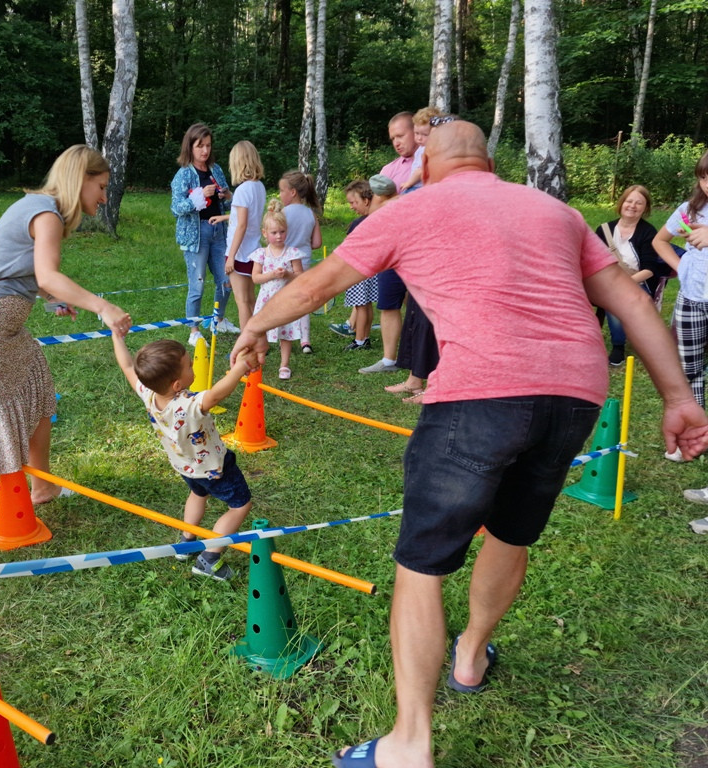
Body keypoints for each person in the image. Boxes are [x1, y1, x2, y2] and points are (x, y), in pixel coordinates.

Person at [229, 120, 708, 768]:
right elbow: (632, 300)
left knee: (422, 565)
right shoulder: (556, 211)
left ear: (425, 165)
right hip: (575, 396)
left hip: (479, 396)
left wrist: (255, 324)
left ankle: (409, 744)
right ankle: (472, 655)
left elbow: (320, 282)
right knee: (511, 534)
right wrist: (679, 398)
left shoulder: (412, 207)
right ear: (489, 162)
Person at [0, 145, 133, 568]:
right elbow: (47, 273)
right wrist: (103, 306)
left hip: (3, 328)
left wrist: (49, 298)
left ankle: (41, 486)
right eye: (101, 186)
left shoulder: (38, 208)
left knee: (38, 383)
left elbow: (15, 268)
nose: (104, 196)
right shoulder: (47, 214)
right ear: (82, 179)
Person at [110, 332, 255, 581]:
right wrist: (241, 367)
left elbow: (126, 365)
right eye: (189, 365)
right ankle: (209, 558)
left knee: (198, 493)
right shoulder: (188, 405)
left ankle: (187, 541)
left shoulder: (149, 395)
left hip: (184, 467)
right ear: (177, 384)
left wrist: (116, 335)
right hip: (214, 468)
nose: (192, 367)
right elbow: (217, 394)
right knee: (240, 505)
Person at [653, 151, 708, 528]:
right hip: (692, 300)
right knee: (690, 373)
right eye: (704, 178)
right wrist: (682, 265)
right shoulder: (690, 211)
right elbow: (661, 240)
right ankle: (697, 435)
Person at [359, 112, 418, 374]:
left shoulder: (431, 164)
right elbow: (375, 212)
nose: (396, 141)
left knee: (424, 306)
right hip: (394, 248)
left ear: (416, 131)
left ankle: (426, 358)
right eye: (392, 137)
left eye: (400, 135)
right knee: (388, 303)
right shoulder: (388, 171)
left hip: (422, 248)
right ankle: (388, 360)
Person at [170, 123, 235, 347]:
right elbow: (176, 208)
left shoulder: (215, 169)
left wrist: (225, 194)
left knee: (226, 280)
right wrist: (198, 196)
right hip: (196, 234)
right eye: (200, 146)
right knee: (197, 285)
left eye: (207, 146)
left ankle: (219, 319)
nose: (205, 151)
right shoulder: (183, 174)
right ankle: (194, 330)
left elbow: (230, 199)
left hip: (219, 231)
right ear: (190, 147)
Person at [594, 185, 671, 367]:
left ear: (645, 208)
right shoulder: (604, 229)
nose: (632, 206)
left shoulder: (648, 232)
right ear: (622, 203)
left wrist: (621, 283)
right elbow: (593, 261)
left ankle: (618, 347)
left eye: (639, 203)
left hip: (638, 280)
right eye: (629, 201)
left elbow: (650, 269)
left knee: (617, 296)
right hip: (604, 280)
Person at [209, 141, 267, 330]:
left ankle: (246, 345)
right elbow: (246, 216)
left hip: (240, 254)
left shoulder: (243, 190)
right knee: (250, 301)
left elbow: (242, 224)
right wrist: (225, 216)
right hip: (253, 250)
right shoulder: (258, 186)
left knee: (242, 302)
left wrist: (230, 257)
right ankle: (257, 340)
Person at [251, 199, 304, 379]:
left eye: (282, 232)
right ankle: (257, 359)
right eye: (274, 232)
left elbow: (300, 275)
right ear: (265, 233)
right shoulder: (261, 254)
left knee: (286, 331)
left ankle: (284, 364)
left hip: (286, 299)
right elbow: (255, 277)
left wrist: (288, 275)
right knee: (260, 330)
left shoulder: (292, 252)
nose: (279, 236)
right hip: (266, 299)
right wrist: (273, 274)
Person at [278, 169, 322, 354]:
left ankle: (282, 336)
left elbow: (276, 237)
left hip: (283, 262)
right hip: (303, 263)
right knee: (302, 301)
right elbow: (317, 243)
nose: (280, 195)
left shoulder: (283, 213)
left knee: (281, 301)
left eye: (281, 191)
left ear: (292, 192)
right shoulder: (311, 214)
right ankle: (305, 341)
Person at [336, 180, 378, 352]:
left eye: (354, 202)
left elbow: (347, 248)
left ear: (366, 201)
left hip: (358, 270)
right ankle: (365, 337)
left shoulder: (359, 223)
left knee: (360, 306)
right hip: (372, 270)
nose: (352, 207)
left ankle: (359, 340)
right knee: (367, 305)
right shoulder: (378, 219)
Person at [399, 107, 443, 193]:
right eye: (416, 133)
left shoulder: (427, 150)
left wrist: (409, 183)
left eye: (425, 135)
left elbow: (420, 170)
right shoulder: (422, 148)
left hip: (418, 186)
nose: (419, 138)